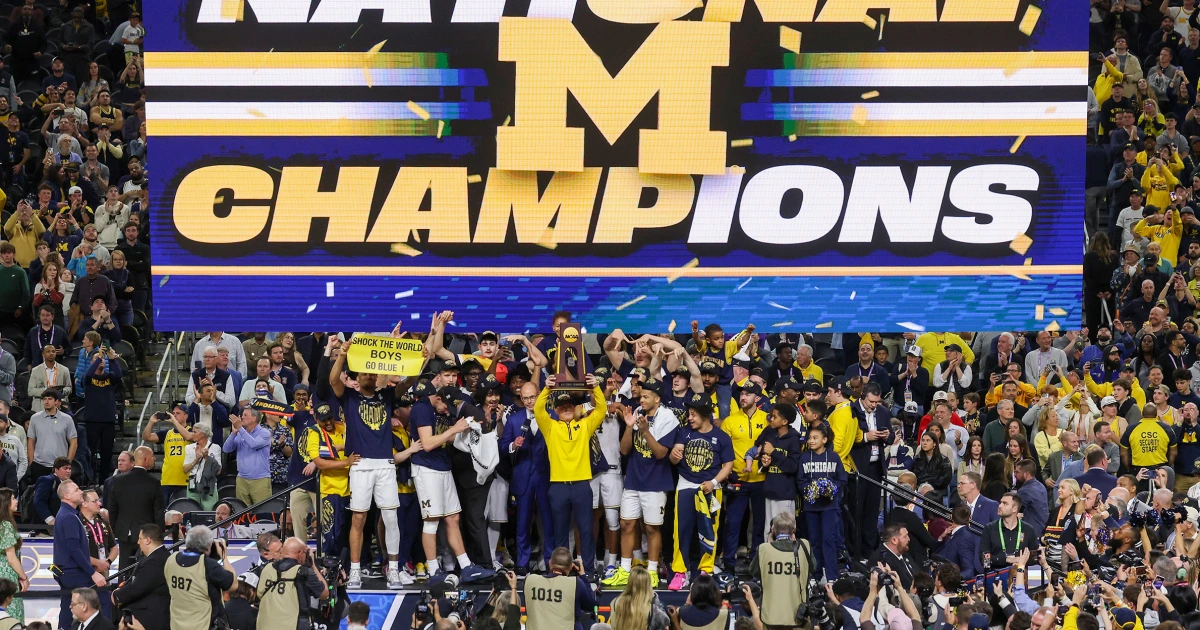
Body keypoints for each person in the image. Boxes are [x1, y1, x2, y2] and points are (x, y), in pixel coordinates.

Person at [328, 335, 414, 589]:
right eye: (364, 372)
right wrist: (343, 355)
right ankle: (355, 570)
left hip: (385, 463)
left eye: (372, 373)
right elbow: (333, 380)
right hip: (361, 464)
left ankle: (394, 569)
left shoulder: (386, 395)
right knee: (358, 518)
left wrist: (415, 360)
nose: (369, 376)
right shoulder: (350, 397)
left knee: (391, 518)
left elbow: (409, 382)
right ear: (357, 376)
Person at [535, 373, 607, 577]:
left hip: (581, 485)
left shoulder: (584, 426)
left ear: (574, 408)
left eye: (569, 405)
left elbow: (601, 409)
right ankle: (561, 570)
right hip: (558, 486)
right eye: (562, 406)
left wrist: (595, 388)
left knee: (586, 530)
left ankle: (589, 571)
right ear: (556, 410)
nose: (566, 408)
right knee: (560, 533)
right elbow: (538, 409)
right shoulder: (550, 427)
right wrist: (547, 389)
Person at [667, 392, 733, 590]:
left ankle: (706, 570)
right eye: (689, 413)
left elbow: (728, 465)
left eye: (693, 414)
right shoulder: (684, 432)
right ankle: (680, 572)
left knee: (709, 530)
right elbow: (674, 458)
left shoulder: (721, 437)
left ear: (705, 414)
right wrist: (674, 455)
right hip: (686, 484)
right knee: (681, 530)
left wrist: (713, 482)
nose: (690, 417)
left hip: (710, 487)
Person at [52, 481, 106, 630]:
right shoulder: (68, 517)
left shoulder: (66, 514)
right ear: (67, 496)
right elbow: (74, 549)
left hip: (67, 572)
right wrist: (92, 573)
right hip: (74, 573)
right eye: (76, 490)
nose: (81, 492)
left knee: (67, 607)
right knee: (99, 601)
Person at [798, 423, 846, 582]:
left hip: (829, 506)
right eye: (809, 438)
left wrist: (831, 489)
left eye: (815, 438)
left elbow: (841, 479)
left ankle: (832, 576)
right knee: (814, 541)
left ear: (824, 440)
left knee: (828, 540)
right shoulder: (804, 457)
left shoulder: (834, 457)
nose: (811, 441)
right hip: (811, 507)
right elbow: (801, 481)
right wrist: (811, 490)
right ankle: (816, 575)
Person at [163, 526, 236, 630]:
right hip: (203, 625)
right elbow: (233, 585)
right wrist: (224, 556)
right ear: (209, 544)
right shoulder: (208, 565)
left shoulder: (171, 559)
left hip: (177, 624)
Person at [305, 401, 352, 555]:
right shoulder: (314, 432)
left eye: (330, 418)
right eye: (323, 420)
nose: (328, 422)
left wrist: (343, 447)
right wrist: (346, 462)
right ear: (316, 419)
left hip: (353, 488)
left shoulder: (343, 427)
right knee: (332, 532)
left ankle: (349, 564)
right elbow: (320, 462)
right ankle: (330, 563)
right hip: (331, 489)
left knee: (349, 531)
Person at [748, 512, 810, 628]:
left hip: (771, 616)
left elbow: (754, 572)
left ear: (773, 529)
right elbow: (812, 567)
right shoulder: (804, 546)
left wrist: (768, 545)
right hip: (798, 615)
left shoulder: (763, 549)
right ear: (794, 530)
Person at [108, 446, 163, 571]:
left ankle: (122, 584)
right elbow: (158, 511)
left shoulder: (117, 480)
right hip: (147, 535)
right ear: (145, 459)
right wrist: (159, 535)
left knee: (123, 568)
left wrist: (115, 529)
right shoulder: (153, 482)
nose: (154, 458)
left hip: (123, 532)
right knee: (145, 569)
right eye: (152, 456)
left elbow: (112, 508)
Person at [255, 537, 329, 630]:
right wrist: (313, 565)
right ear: (300, 554)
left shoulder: (266, 568)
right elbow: (324, 594)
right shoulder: (303, 572)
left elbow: (259, 594)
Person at [111, 524, 170, 630]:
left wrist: (117, 596)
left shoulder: (155, 561)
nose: (138, 542)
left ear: (148, 540)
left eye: (140, 538)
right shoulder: (155, 556)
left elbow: (137, 588)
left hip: (150, 617)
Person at [524, 547, 596, 630]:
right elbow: (591, 606)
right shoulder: (575, 583)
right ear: (571, 567)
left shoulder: (530, 581)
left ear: (550, 563)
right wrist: (582, 575)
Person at [141, 406, 194, 506]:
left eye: (178, 413)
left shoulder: (192, 431)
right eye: (173, 413)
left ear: (186, 416)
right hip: (168, 479)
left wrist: (175, 422)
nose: (174, 415)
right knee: (165, 510)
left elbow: (188, 437)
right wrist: (151, 422)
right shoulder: (167, 433)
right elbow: (146, 437)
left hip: (186, 480)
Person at [222, 408, 272, 505]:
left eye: (245, 415)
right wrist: (233, 433)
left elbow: (254, 444)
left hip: (260, 479)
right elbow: (226, 449)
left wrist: (240, 429)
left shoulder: (264, 433)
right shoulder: (240, 433)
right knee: (242, 510)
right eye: (242, 415)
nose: (242, 417)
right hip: (242, 479)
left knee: (262, 510)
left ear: (254, 418)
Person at [80, 487, 116, 616]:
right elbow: (76, 552)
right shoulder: (76, 522)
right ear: (84, 503)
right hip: (85, 572)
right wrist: (96, 563)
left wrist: (107, 562)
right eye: (94, 501)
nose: (99, 503)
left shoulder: (103, 522)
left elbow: (114, 547)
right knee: (85, 608)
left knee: (105, 606)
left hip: (104, 572)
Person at [26, 388, 76, 480]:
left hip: (60, 466)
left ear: (56, 401)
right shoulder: (35, 418)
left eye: (50, 399)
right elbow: (31, 441)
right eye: (45, 399)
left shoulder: (67, 419)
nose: (46, 401)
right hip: (39, 465)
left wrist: (67, 463)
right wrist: (31, 462)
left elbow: (74, 442)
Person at [978, 492, 1037, 569]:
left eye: (1005, 504)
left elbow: (1035, 558)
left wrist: (1021, 562)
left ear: (1014, 509)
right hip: (996, 575)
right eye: (1001, 503)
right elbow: (984, 560)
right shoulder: (989, 529)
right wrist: (1006, 559)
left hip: (1021, 574)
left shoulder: (1028, 530)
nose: (1000, 506)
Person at [182, 423, 221, 510]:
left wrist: (207, 457)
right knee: (192, 511)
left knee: (208, 513)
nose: (192, 434)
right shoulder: (189, 448)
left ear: (202, 434)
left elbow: (218, 471)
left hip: (209, 485)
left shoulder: (215, 448)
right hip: (192, 485)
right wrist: (196, 459)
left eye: (194, 432)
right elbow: (185, 469)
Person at [0, 490, 25, 625]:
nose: (16, 501)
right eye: (13, 498)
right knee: (12, 611)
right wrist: (23, 577)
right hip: (7, 574)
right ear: (5, 502)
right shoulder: (6, 525)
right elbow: (12, 558)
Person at [867, 523, 915, 591]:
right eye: (905, 537)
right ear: (894, 540)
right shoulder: (880, 559)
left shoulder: (905, 554)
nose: (909, 539)